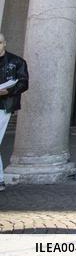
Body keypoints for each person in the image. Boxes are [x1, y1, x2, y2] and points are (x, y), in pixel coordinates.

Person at [0, 33, 29, 191]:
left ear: (5, 43)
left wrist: (8, 92)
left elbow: (23, 83)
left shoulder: (16, 62)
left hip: (4, 105)